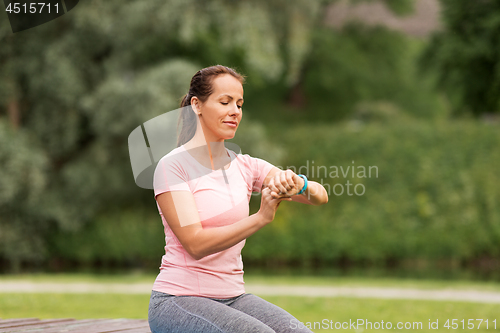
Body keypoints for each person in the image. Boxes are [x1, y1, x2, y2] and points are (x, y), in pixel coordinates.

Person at [148, 65, 328, 333]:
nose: (235, 111)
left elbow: (319, 197)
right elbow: (195, 243)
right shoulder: (173, 167)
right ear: (196, 105)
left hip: (233, 298)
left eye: (240, 104)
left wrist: (296, 182)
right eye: (225, 102)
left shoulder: (246, 166)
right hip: (179, 300)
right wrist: (260, 218)